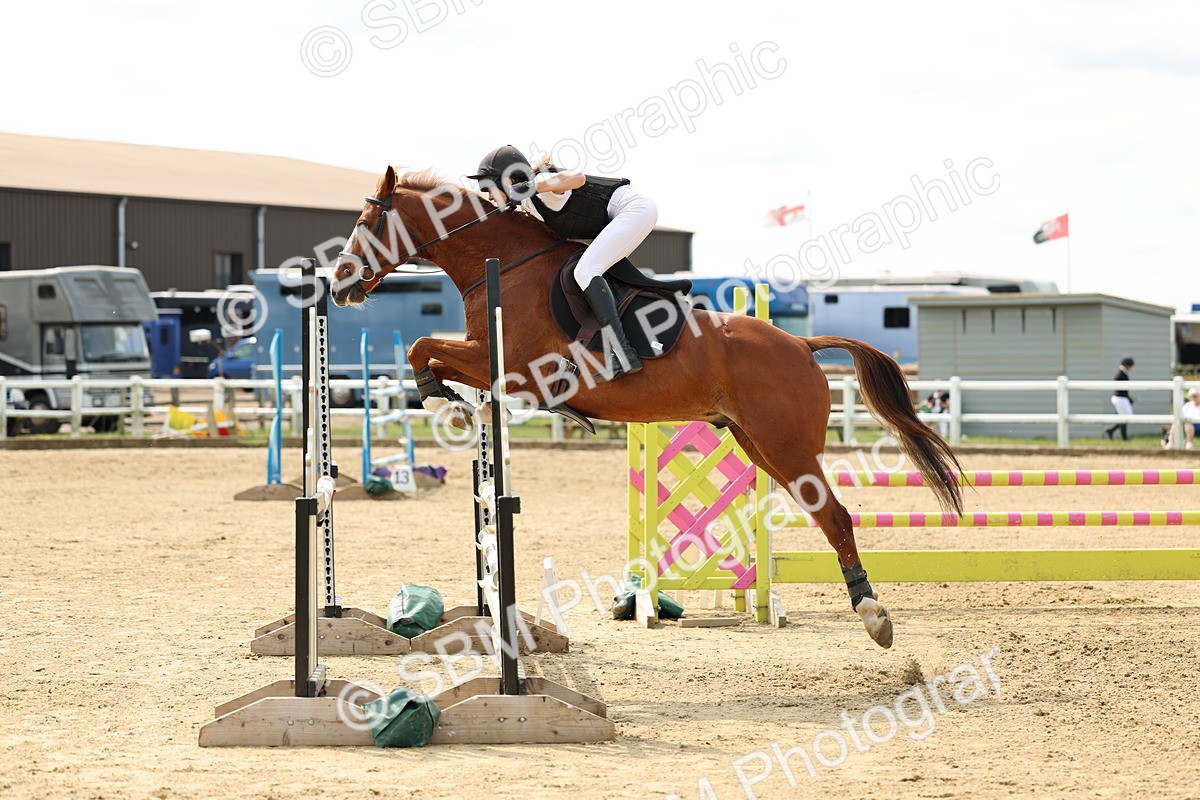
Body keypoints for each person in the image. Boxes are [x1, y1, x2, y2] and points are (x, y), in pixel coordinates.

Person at [468, 145, 658, 382]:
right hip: (618, 219)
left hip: (633, 210)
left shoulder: (542, 182)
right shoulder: (529, 205)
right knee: (582, 271)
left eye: (488, 188)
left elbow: (576, 178)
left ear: (507, 179)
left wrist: (527, 187)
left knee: (586, 271)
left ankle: (622, 352)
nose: (487, 196)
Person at [1103, 356, 1135, 440]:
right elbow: (1120, 388)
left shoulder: (1123, 373)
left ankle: (1111, 430)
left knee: (1125, 416)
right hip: (1120, 398)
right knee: (1124, 417)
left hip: (1122, 398)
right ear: (1126, 365)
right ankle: (1123, 437)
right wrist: (1127, 397)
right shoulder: (1120, 374)